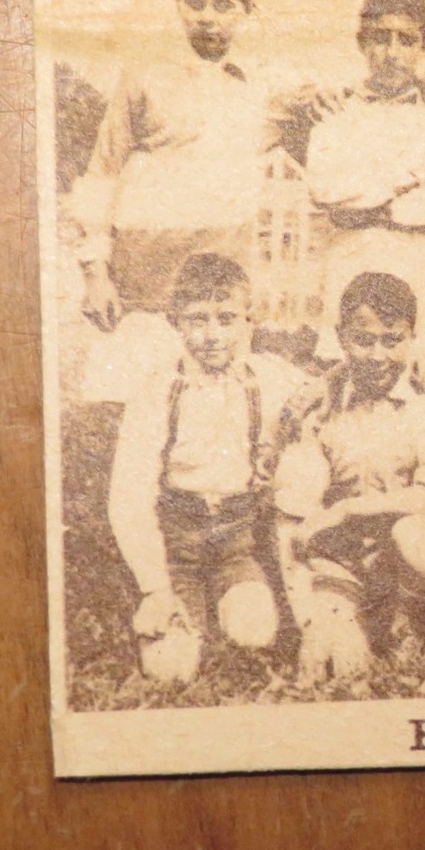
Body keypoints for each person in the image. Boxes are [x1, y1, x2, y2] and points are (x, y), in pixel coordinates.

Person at [68, 0, 269, 395]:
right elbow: (102, 173)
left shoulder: (258, 84)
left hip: (221, 266)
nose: (207, 18)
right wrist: (95, 275)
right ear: (179, 5)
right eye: (195, 3)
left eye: (223, 5)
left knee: (216, 403)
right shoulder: (144, 75)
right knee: (131, 397)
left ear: (246, 12)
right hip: (145, 269)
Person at [106, 254, 311, 684]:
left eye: (226, 318)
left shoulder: (269, 377)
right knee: (170, 672)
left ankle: (222, 610)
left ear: (249, 320)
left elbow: (326, 386)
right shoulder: (159, 390)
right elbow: (130, 497)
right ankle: (180, 612)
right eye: (197, 320)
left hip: (237, 541)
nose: (212, 335)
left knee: (254, 632)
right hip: (175, 544)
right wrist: (155, 587)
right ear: (175, 322)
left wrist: (418, 362)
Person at [271, 272, 425, 684]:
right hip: (340, 560)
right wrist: (309, 621)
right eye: (363, 341)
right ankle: (347, 622)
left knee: (416, 538)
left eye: (392, 339)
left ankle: (417, 626)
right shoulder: (319, 401)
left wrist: (350, 509)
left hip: (403, 557)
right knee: (337, 667)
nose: (378, 355)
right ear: (341, 337)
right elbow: (293, 518)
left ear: (411, 337)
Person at [268, 0, 425, 359]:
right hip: (354, 253)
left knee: (422, 366)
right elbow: (327, 191)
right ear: (361, 43)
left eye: (406, 40)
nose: (392, 53)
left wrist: (369, 193)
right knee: (349, 364)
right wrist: (407, 182)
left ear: (423, 45)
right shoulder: (336, 108)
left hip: (422, 259)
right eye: (379, 39)